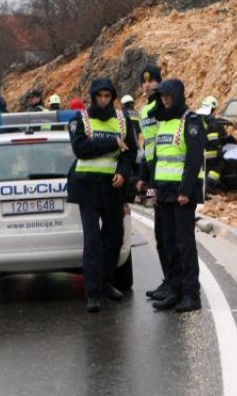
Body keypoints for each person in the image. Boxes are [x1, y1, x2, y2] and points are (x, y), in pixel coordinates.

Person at [67, 79, 137, 313]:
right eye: (100, 96)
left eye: (108, 96)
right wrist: (113, 143)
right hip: (87, 187)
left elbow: (130, 152)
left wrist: (123, 173)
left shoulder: (122, 119)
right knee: (92, 242)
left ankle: (105, 282)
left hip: (112, 187)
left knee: (114, 239)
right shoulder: (81, 119)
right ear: (93, 96)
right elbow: (81, 149)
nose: (104, 100)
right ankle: (93, 293)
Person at [150, 79, 206, 313]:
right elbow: (159, 158)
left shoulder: (190, 121)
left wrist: (185, 191)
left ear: (177, 96)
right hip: (163, 192)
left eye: (168, 96)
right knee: (169, 243)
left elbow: (193, 160)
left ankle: (191, 294)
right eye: (162, 96)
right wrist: (153, 187)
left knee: (185, 244)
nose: (164, 100)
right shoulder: (164, 122)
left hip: (181, 194)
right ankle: (174, 289)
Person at [136, 65, 169, 301]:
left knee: (168, 233)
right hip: (152, 170)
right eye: (145, 82)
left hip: (165, 169)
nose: (148, 85)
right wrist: (144, 179)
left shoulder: (163, 106)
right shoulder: (143, 111)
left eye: (152, 81)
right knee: (160, 233)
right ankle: (167, 279)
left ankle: (173, 281)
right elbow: (147, 146)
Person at [198, 96, 228, 193]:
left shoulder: (195, 116)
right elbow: (213, 137)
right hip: (208, 152)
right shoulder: (210, 120)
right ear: (212, 108)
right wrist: (219, 147)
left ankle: (202, 187)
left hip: (196, 152)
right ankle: (210, 186)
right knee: (219, 163)